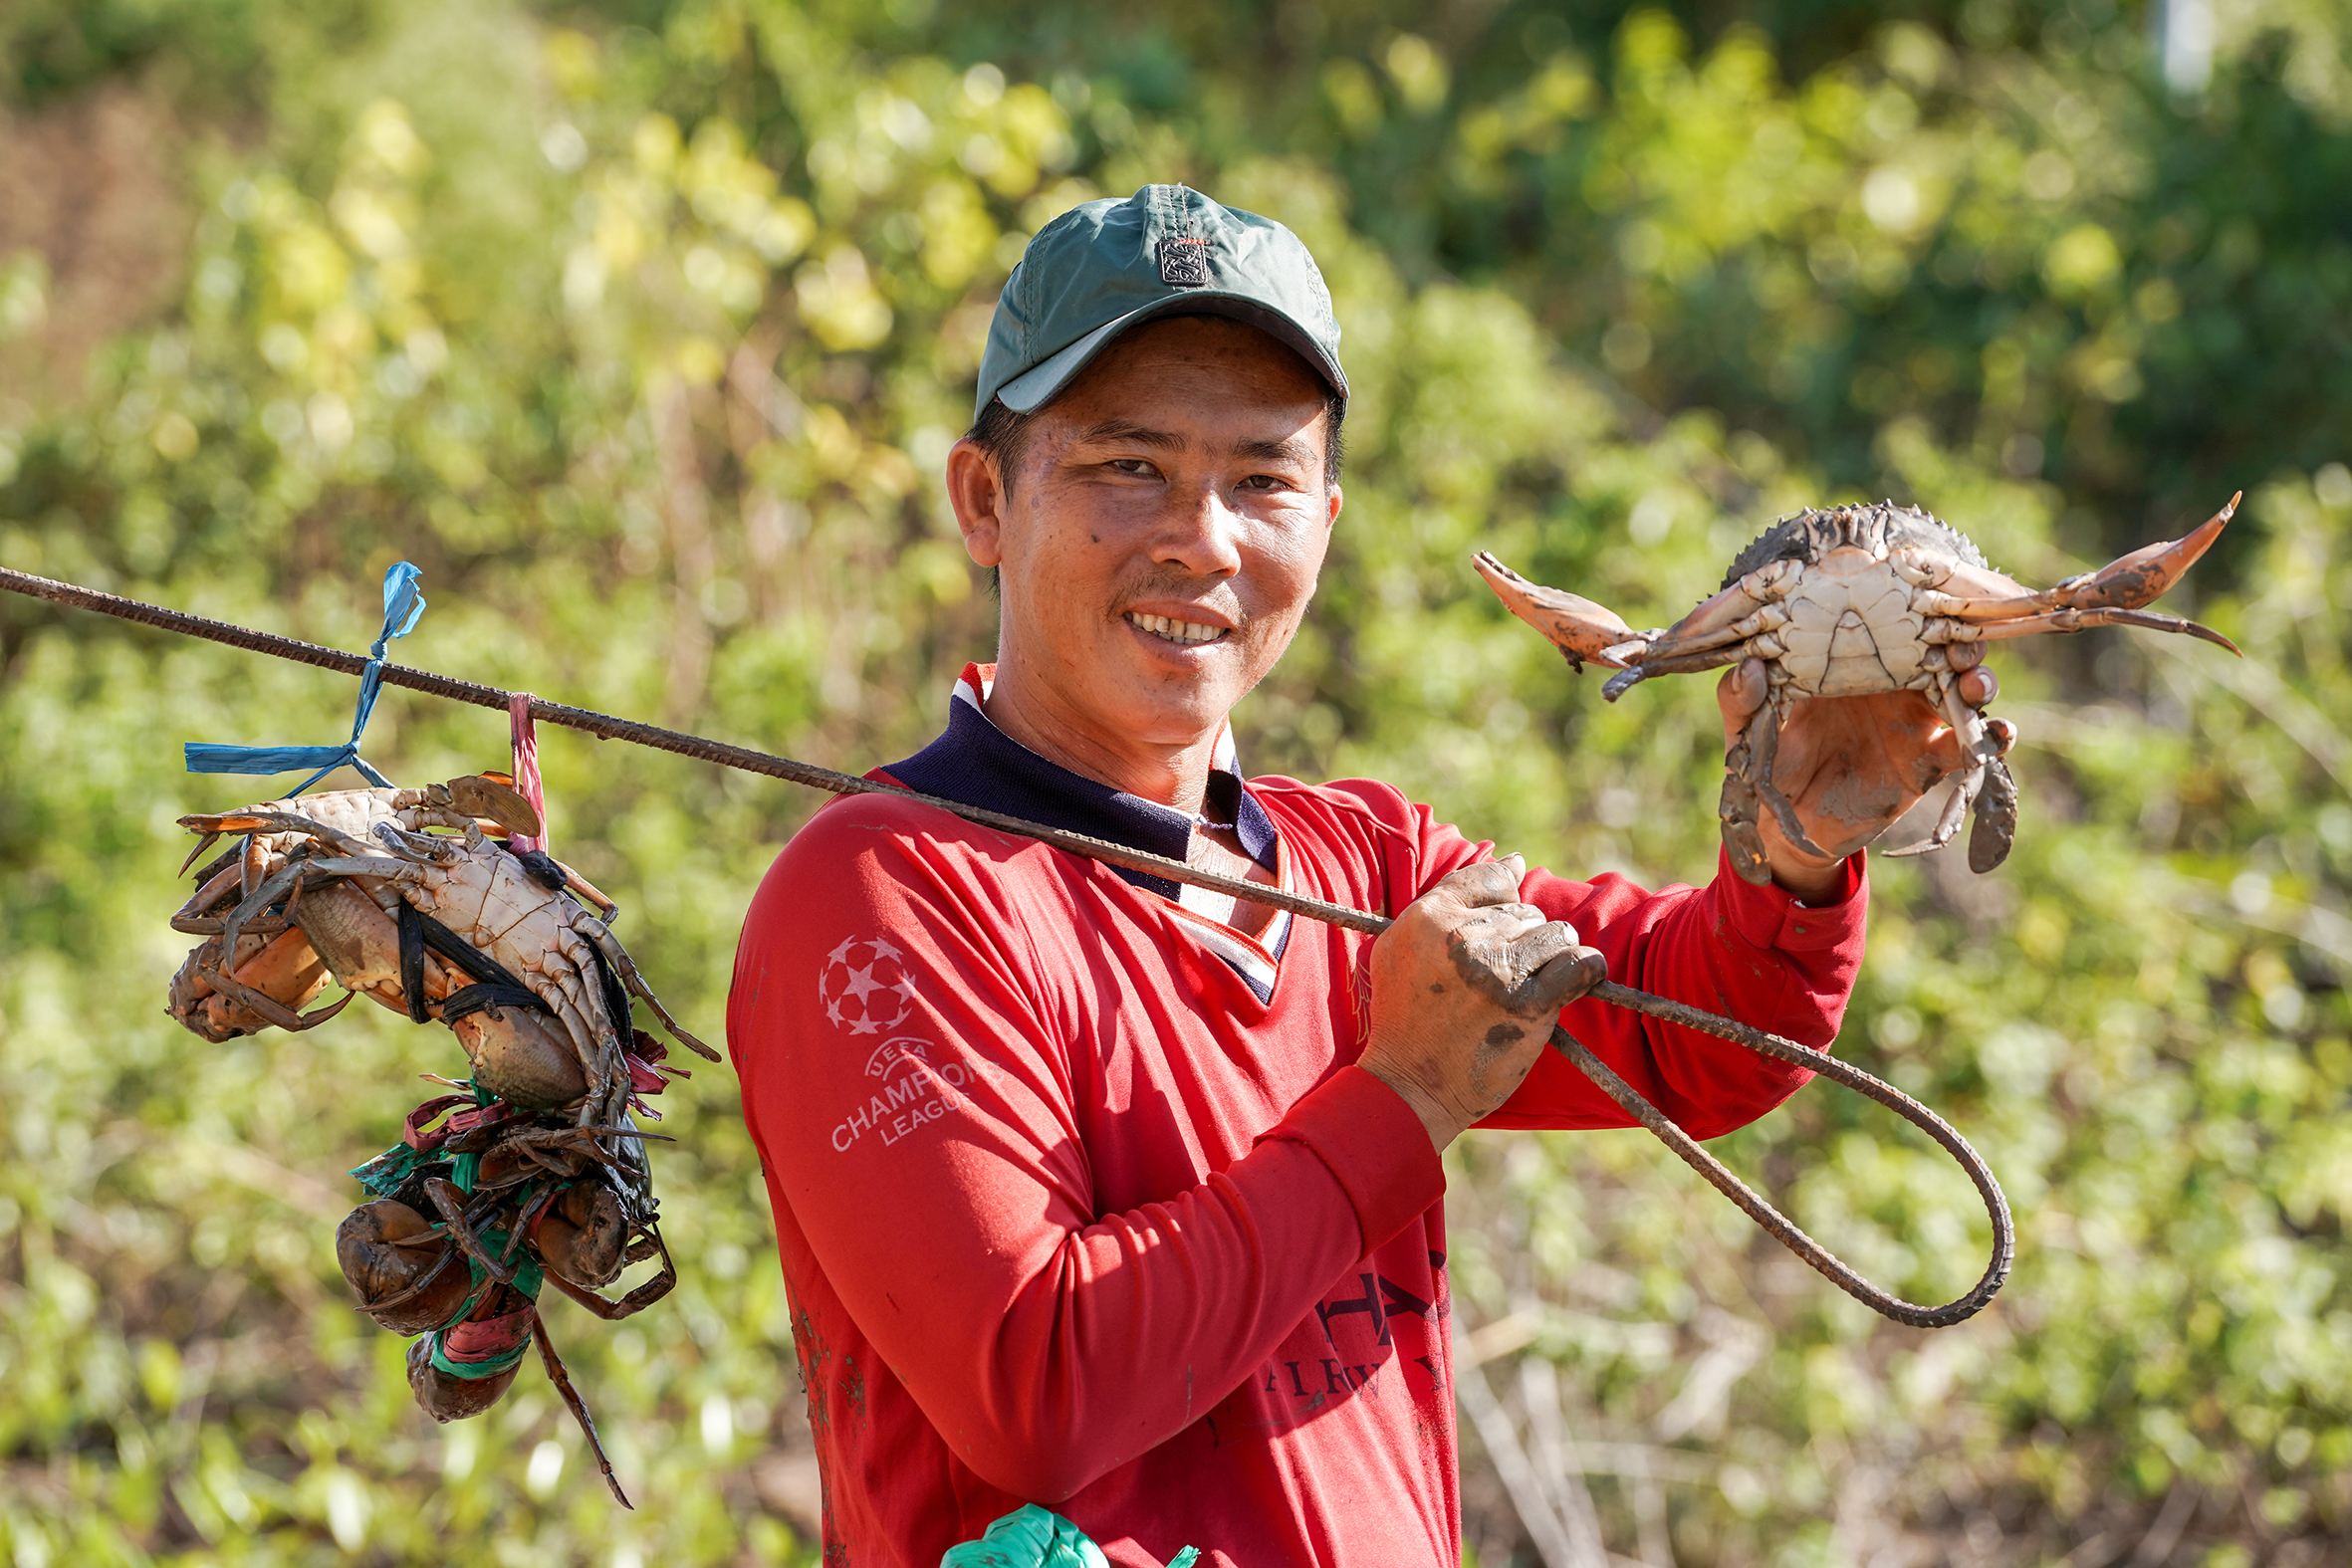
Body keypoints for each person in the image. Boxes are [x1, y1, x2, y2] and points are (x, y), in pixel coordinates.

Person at [728, 185, 1998, 1567]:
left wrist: (1795, 846)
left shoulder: (1364, 864)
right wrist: (1404, 1095)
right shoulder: (881, 895)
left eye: (1260, 479)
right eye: (1126, 467)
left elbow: (1699, 1041)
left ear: (1323, 522)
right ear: (984, 499)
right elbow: (1036, 1387)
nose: (1202, 540)